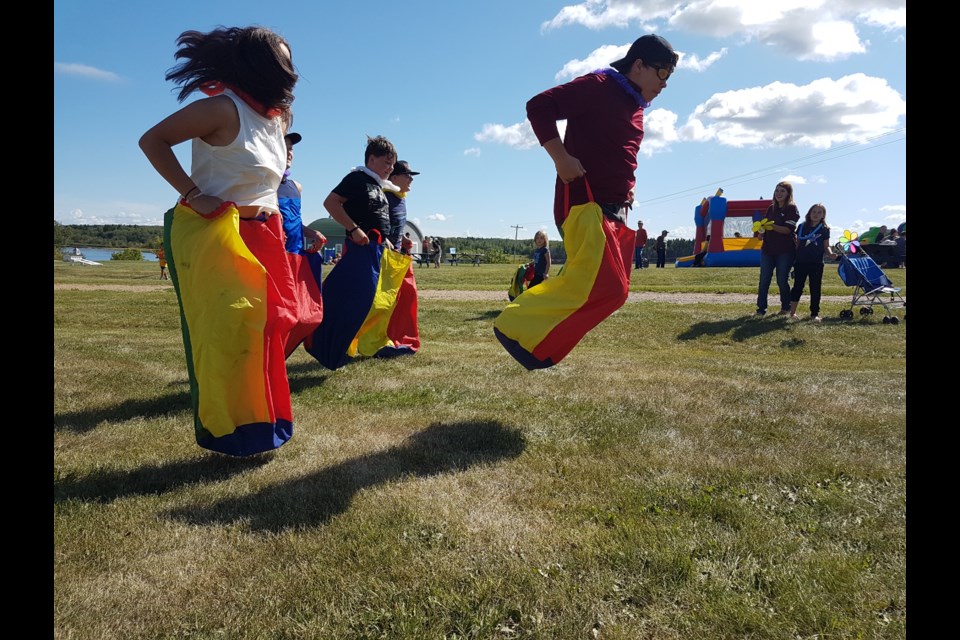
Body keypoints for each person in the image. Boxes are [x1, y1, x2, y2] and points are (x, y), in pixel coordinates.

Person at [138, 25, 312, 457]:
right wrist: (194, 194)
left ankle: (263, 422)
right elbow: (152, 140)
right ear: (259, 64)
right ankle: (229, 432)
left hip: (267, 234)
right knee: (229, 333)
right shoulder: (220, 108)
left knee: (273, 328)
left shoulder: (278, 119)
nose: (291, 71)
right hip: (221, 233)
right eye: (282, 61)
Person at [493, 34, 679, 369]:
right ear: (639, 65)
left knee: (616, 291)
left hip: (612, 210)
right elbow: (538, 106)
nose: (665, 83)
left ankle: (534, 342)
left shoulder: (633, 104)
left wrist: (626, 189)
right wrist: (560, 157)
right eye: (662, 73)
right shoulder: (600, 85)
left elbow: (616, 152)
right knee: (601, 285)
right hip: (583, 203)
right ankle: (516, 327)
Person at [322, 135, 398, 249]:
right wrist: (354, 229)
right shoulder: (357, 178)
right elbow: (330, 202)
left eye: (393, 165)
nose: (391, 168)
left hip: (377, 247)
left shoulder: (378, 186)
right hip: (359, 246)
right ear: (372, 160)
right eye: (387, 163)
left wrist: (385, 238)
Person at [788, 203, 839, 322]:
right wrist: (793, 258)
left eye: (819, 212)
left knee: (815, 288)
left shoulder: (824, 229)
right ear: (809, 213)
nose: (816, 214)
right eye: (814, 212)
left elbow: (826, 246)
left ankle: (814, 314)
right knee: (797, 287)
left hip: (816, 263)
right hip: (801, 262)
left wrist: (831, 254)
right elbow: (797, 244)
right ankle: (792, 312)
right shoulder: (801, 227)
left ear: (823, 215)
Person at [755, 181, 799, 316]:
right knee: (764, 280)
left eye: (782, 191)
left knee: (781, 280)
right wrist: (762, 232)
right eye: (777, 190)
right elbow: (765, 226)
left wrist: (771, 226)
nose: (779, 193)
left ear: (788, 194)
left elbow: (788, 229)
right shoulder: (770, 208)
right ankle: (761, 310)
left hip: (785, 250)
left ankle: (785, 308)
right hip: (768, 249)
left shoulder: (792, 208)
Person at [278, 131, 326, 253]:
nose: (289, 153)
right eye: (284, 148)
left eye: (291, 149)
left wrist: (314, 234)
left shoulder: (296, 186)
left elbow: (295, 224)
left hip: (296, 254)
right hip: (273, 256)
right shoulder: (264, 184)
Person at [384, 160, 420, 249]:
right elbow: (371, 224)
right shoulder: (383, 197)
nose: (411, 179)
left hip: (394, 253)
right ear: (394, 178)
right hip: (381, 254)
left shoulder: (401, 198)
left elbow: (394, 226)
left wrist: (403, 238)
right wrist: (384, 240)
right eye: (407, 175)